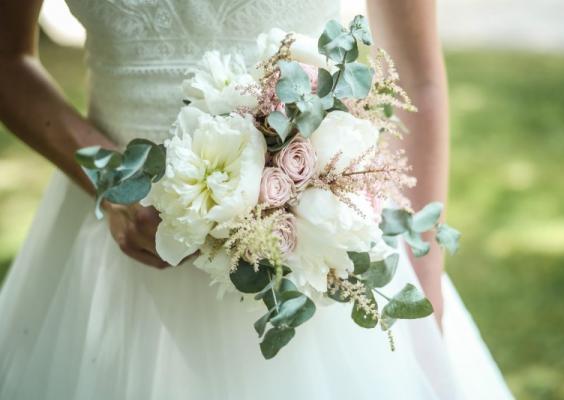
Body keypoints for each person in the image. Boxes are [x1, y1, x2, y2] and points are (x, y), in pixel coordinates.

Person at [0, 0, 514, 398]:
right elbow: (8, 58)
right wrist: (113, 179)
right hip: (114, 259)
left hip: (316, 257)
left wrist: (423, 299)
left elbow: (416, 77)